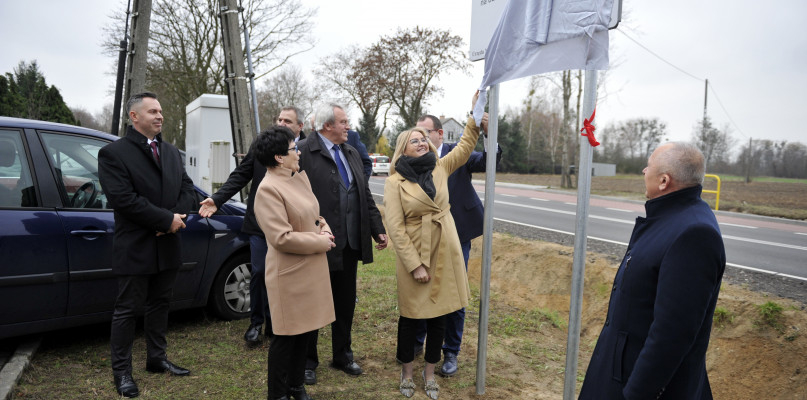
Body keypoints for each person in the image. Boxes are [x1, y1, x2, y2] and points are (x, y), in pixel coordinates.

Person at [578, 142, 726, 400]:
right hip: (620, 369)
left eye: (649, 167)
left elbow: (672, 335)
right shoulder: (670, 218)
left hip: (637, 384)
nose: (644, 171)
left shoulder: (693, 234)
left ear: (664, 181)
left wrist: (636, 394)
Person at [383, 92, 487, 399]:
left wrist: (475, 111)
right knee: (411, 315)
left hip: (445, 249)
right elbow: (396, 227)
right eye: (415, 139)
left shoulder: (440, 167)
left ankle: (430, 374)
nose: (422, 141)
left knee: (440, 314)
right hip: (414, 252)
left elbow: (467, 144)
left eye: (424, 138)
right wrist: (414, 264)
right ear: (404, 149)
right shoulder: (394, 183)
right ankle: (407, 373)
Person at [98, 92, 196, 398]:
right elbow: (123, 200)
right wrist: (165, 220)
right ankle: (122, 372)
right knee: (127, 310)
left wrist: (175, 219)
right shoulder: (114, 154)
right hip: (136, 245)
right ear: (134, 116)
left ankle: (156, 359)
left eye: (161, 111)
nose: (160, 116)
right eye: (152, 111)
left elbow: (189, 190)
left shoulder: (169, 152)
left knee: (160, 304)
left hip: (168, 245)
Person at [199, 106, 305, 346]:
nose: (281, 122)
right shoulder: (262, 146)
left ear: (299, 127)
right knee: (258, 272)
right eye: (278, 118)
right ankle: (257, 322)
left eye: (287, 120)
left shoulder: (305, 151)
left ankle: (281, 323)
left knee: (286, 276)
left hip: (292, 227)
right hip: (260, 225)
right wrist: (217, 199)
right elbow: (240, 175)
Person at [299, 103, 388, 384]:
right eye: (343, 122)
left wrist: (377, 229)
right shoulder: (303, 151)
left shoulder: (350, 152)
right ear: (327, 126)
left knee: (345, 302)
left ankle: (342, 355)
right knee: (313, 303)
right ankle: (307, 362)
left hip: (349, 242)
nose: (348, 126)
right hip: (318, 242)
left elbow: (364, 194)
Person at [413, 113, 502, 377]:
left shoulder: (457, 153)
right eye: (417, 134)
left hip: (458, 233)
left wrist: (488, 134)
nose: (420, 139)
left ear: (440, 134)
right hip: (425, 234)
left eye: (426, 133)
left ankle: (450, 351)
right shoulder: (413, 156)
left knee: (455, 290)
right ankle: (417, 341)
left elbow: (489, 162)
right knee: (422, 285)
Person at [251, 125, 336, 400]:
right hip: (289, 275)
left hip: (311, 270)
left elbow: (314, 214)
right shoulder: (268, 189)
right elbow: (281, 237)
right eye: (293, 148)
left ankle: (296, 386)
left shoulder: (298, 177)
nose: (298, 152)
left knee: (306, 333)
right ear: (278, 156)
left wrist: (324, 228)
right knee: (286, 338)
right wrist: (321, 242)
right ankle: (277, 394)